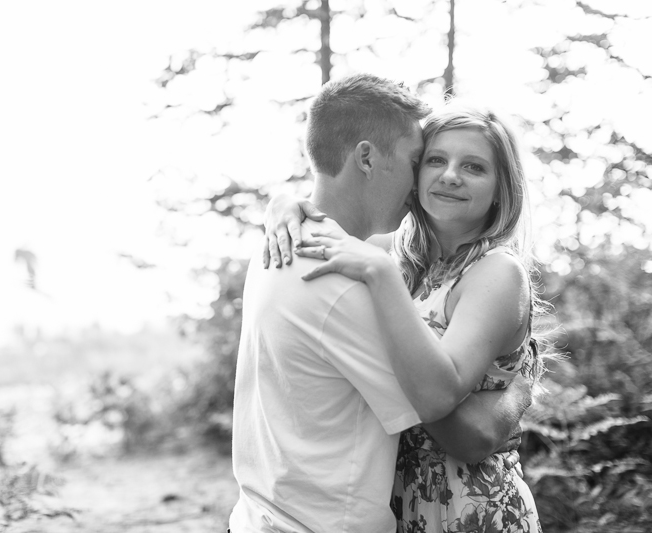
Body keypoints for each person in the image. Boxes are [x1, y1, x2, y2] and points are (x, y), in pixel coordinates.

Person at [228, 74, 532, 533]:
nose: (445, 176)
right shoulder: (384, 266)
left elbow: (459, 426)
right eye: (427, 160)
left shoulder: (363, 265)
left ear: (499, 186)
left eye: (474, 167)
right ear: (368, 157)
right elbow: (467, 428)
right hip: (373, 510)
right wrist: (517, 394)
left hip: (465, 509)